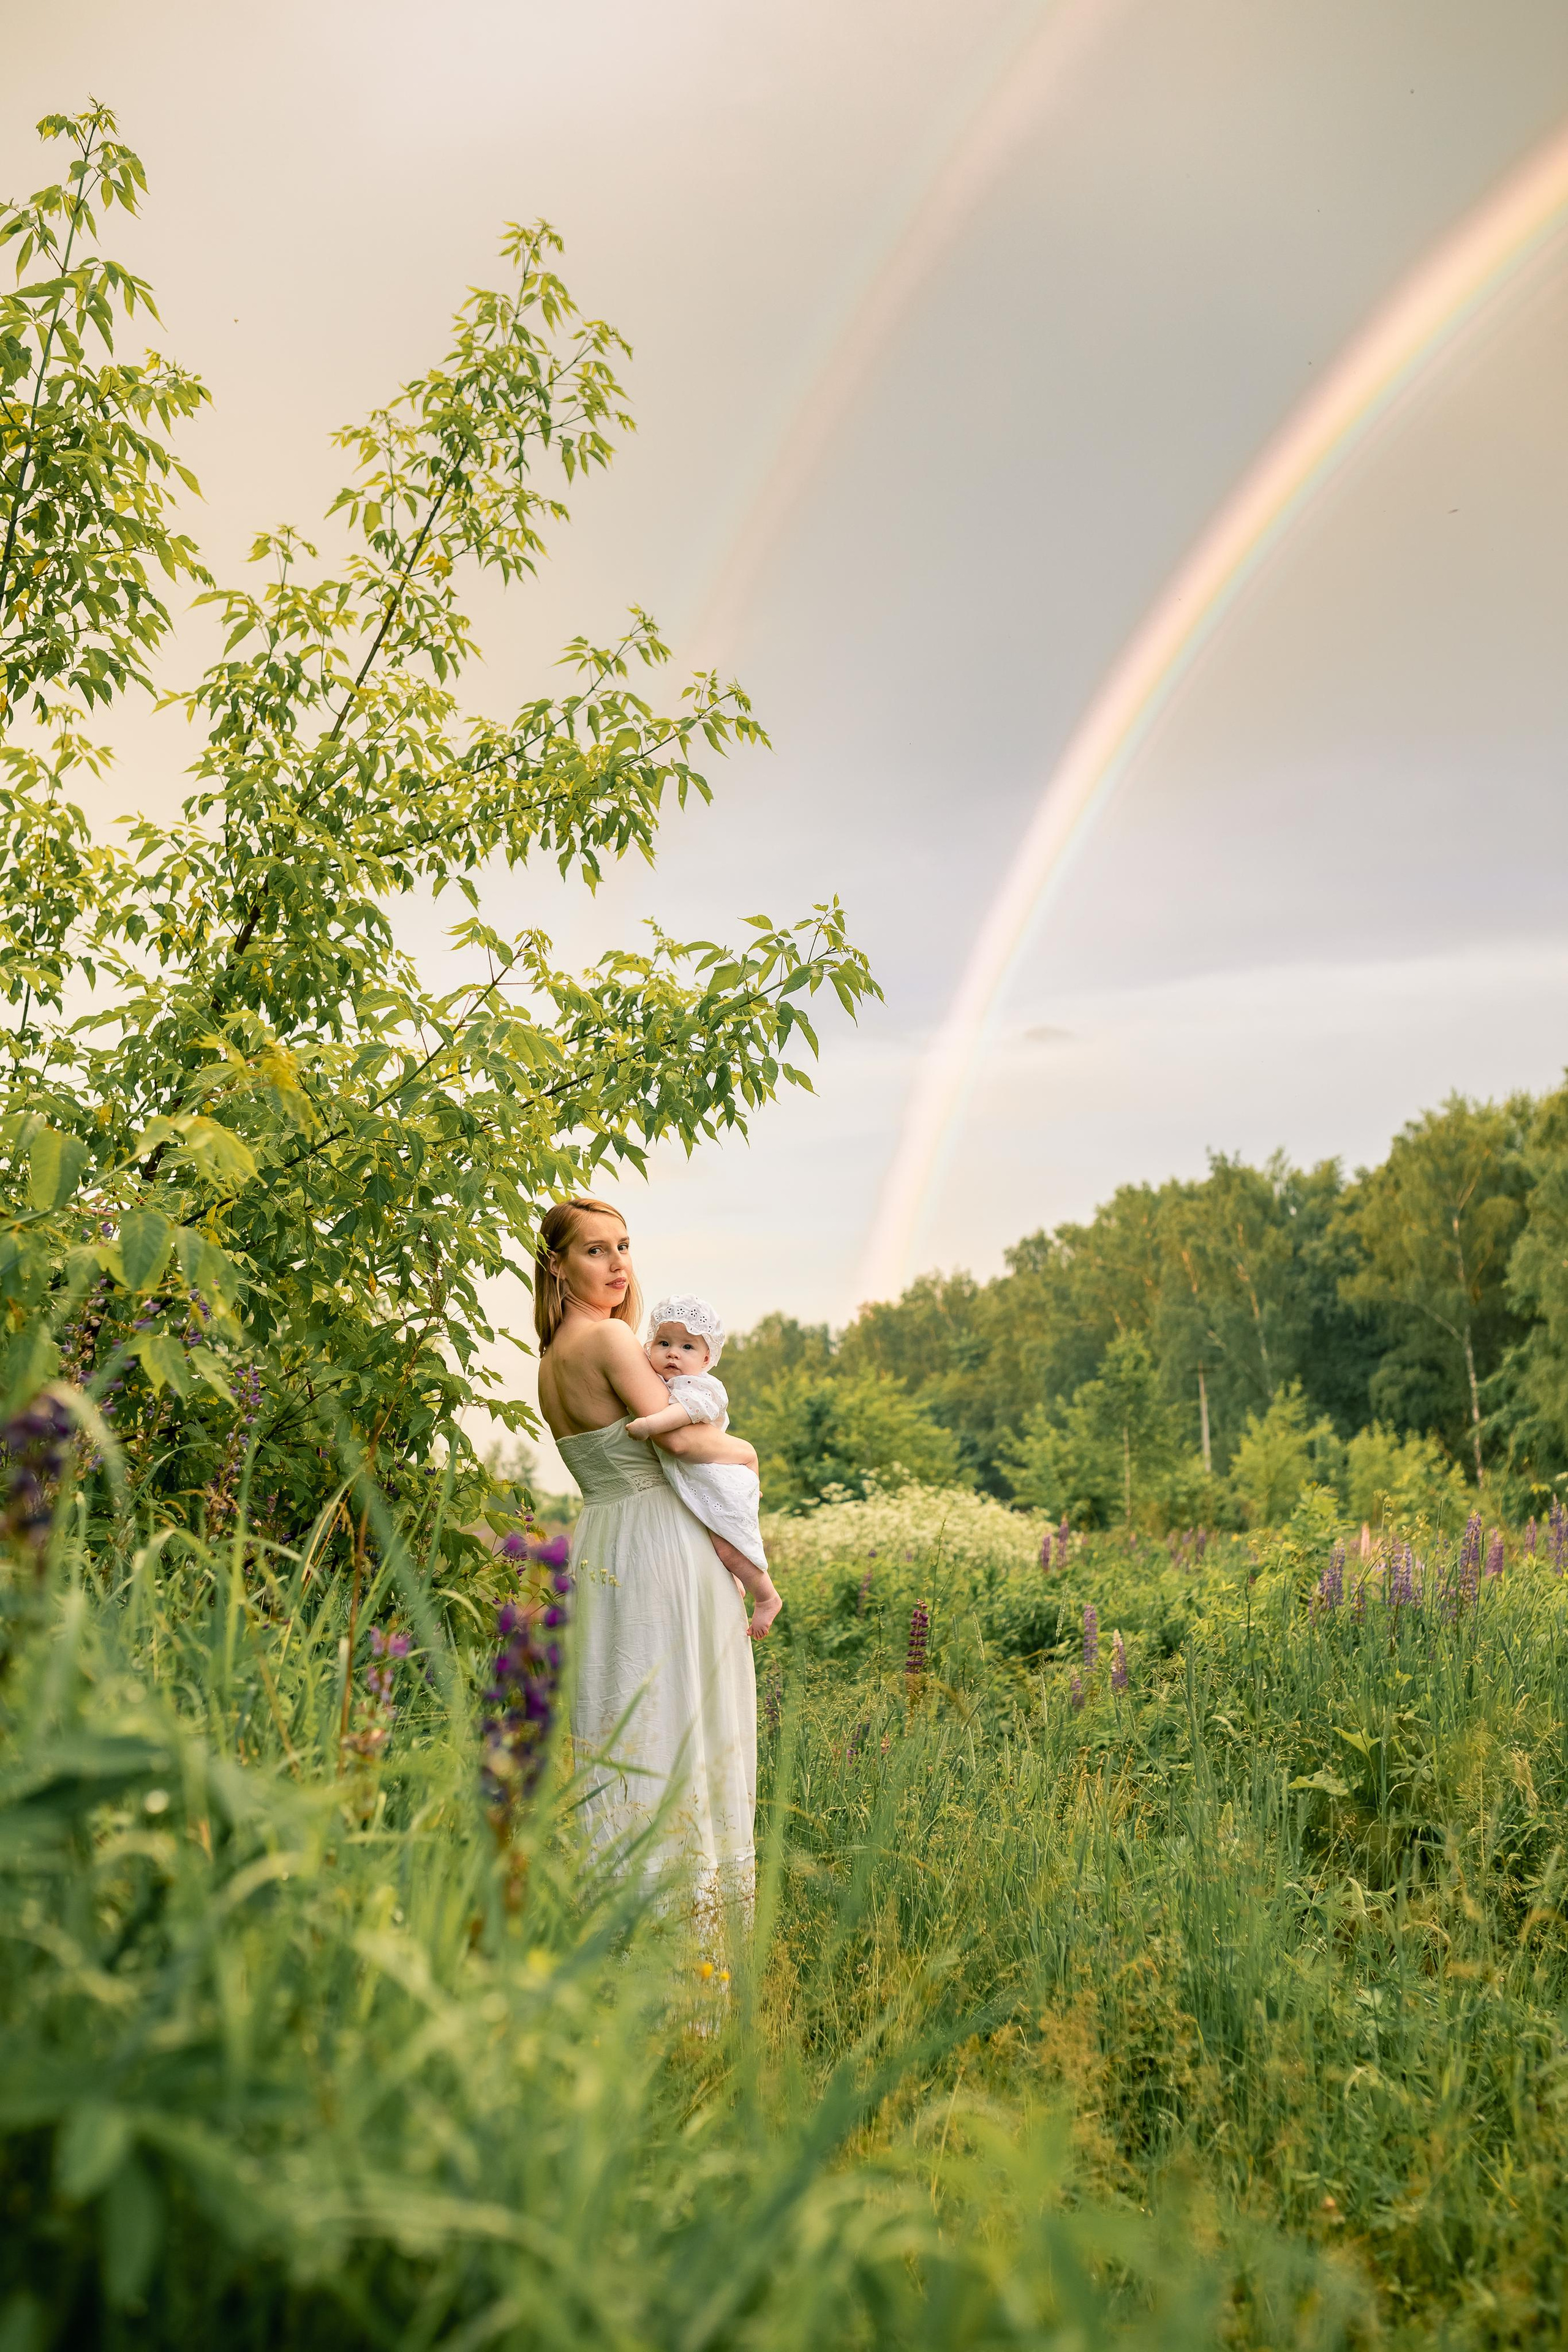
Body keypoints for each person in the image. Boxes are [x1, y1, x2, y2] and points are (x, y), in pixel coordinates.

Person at [534, 1197, 762, 1909]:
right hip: (661, 1541)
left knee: (625, 1716)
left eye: (623, 1247)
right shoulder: (606, 1343)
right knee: (682, 1718)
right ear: (557, 1264)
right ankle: (691, 1930)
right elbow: (683, 1440)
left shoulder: (548, 1361)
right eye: (595, 1251)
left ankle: (621, 1918)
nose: (618, 1264)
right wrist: (749, 1451)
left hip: (603, 1537)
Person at [627, 1293, 782, 1637]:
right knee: (713, 1542)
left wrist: (650, 1425)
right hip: (701, 1477)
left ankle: (767, 1596)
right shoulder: (663, 1381)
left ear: (707, 1358)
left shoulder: (703, 1387)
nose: (673, 1353)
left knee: (727, 1541)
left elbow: (685, 1415)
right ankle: (739, 1582)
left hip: (717, 1477)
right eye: (664, 1343)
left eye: (687, 1348)